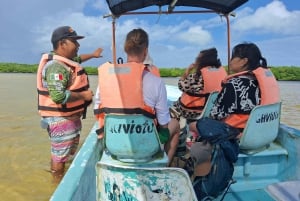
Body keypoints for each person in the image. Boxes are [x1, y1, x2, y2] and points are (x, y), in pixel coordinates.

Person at [189, 42, 280, 177]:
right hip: (263, 135)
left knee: (195, 125)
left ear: (244, 61)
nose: (230, 61)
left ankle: (199, 173)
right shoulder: (263, 80)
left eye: (233, 57)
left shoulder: (234, 83)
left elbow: (216, 115)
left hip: (238, 136)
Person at [94, 28, 180, 165]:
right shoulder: (156, 81)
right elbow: (163, 123)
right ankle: (164, 166)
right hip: (147, 147)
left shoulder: (107, 78)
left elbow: (98, 108)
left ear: (126, 50)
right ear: (145, 51)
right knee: (175, 124)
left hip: (113, 143)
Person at [37, 25, 103, 181]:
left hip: (69, 118)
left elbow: (79, 59)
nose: (78, 45)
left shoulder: (66, 62)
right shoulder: (55, 67)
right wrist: (83, 96)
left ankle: (58, 176)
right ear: (62, 44)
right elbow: (58, 96)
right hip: (60, 120)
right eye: (74, 41)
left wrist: (93, 55)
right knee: (59, 157)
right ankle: (56, 183)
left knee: (62, 154)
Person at [170, 48, 227, 154]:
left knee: (172, 112)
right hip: (212, 111)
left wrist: (187, 71)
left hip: (195, 112)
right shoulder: (222, 73)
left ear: (203, 60)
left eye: (198, 58)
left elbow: (181, 85)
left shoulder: (198, 77)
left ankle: (179, 148)